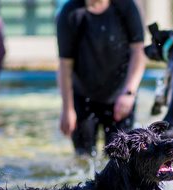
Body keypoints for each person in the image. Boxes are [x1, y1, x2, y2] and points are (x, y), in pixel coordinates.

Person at [56, 0, 146, 156]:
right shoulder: (70, 12)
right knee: (83, 157)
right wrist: (67, 109)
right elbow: (65, 64)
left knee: (120, 159)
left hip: (121, 95)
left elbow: (138, 50)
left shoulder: (125, 6)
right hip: (83, 98)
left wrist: (129, 92)